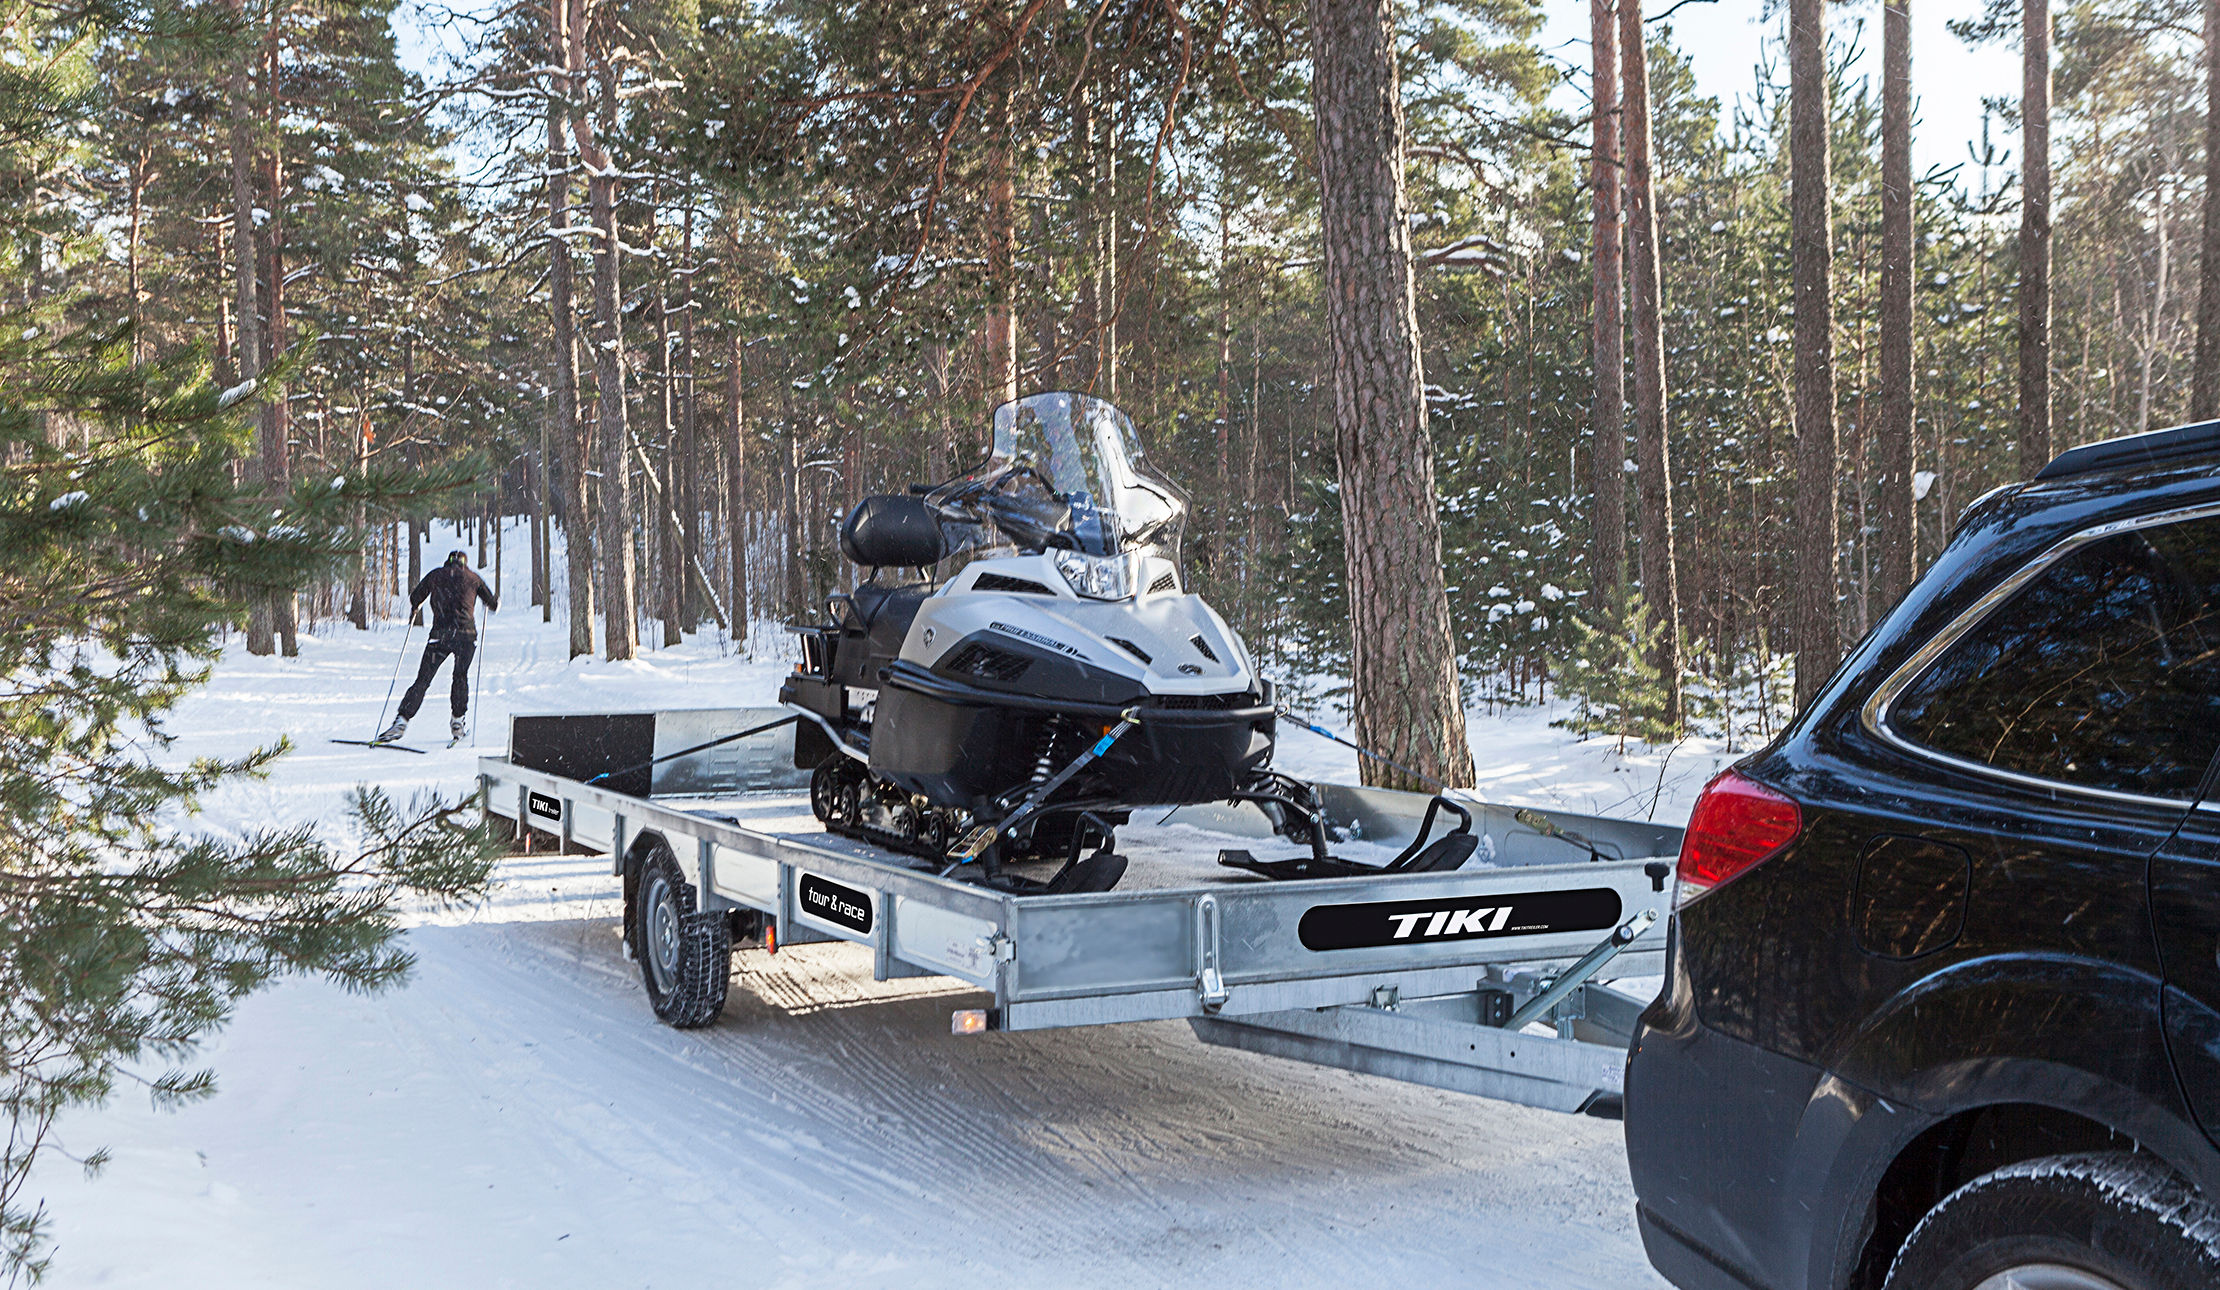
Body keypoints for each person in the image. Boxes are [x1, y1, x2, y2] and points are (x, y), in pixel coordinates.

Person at [377, 550, 497, 744]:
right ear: (464, 563)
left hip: (439, 636)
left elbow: (416, 597)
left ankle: (402, 720)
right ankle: (458, 722)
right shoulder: (474, 578)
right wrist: (491, 603)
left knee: (423, 680)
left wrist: (416, 606)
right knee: (460, 676)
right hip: (466, 637)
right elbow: (493, 604)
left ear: (448, 562)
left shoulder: (436, 575)